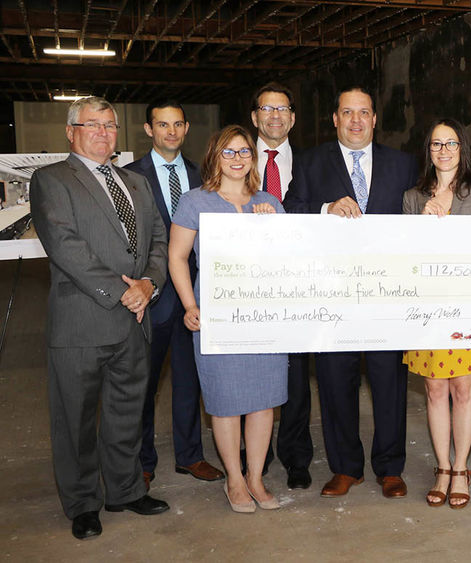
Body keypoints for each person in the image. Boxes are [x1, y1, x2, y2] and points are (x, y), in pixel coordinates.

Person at [30, 96, 170, 540]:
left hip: (135, 319)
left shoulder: (137, 182)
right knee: (75, 420)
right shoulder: (51, 180)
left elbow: (158, 242)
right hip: (82, 322)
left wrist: (149, 284)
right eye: (93, 125)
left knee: (127, 412)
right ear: (71, 132)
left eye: (111, 126)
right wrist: (123, 290)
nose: (104, 133)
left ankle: (125, 490)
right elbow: (65, 246)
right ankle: (83, 503)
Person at [284, 85, 418, 499]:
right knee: (334, 379)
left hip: (386, 294)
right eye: (347, 113)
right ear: (335, 119)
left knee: (388, 381)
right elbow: (290, 213)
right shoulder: (310, 162)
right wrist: (325, 210)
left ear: (375, 119)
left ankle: (390, 467)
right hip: (331, 295)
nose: (356, 121)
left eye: (364, 113)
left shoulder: (404, 165)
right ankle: (345, 467)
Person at [168, 125, 288, 513]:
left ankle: (256, 477)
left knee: (263, 401)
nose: (237, 159)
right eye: (228, 152)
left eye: (244, 152)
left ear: (253, 158)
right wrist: (189, 305)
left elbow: (288, 264)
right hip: (217, 316)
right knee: (225, 401)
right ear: (215, 157)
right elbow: (177, 257)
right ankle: (234, 480)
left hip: (264, 317)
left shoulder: (270, 201)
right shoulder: (195, 202)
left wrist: (273, 227)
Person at [402, 118, 471, 509]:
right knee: (435, 389)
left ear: (461, 150)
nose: (444, 150)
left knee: (464, 389)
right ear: (428, 151)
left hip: (470, 307)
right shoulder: (412, 198)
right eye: (436, 144)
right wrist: (421, 223)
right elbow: (403, 257)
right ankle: (443, 467)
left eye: (451, 143)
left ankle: (462, 467)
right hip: (428, 310)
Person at [125, 99, 224, 489]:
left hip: (193, 293)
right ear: (149, 129)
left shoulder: (205, 176)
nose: (170, 131)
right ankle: (143, 460)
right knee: (144, 383)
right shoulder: (129, 176)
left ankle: (190, 456)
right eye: (162, 125)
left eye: (177, 124)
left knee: (189, 379)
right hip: (148, 296)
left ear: (186, 129)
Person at [249, 81, 313, 489]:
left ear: (292, 117)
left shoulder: (312, 162)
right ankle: (250, 455)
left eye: (282, 109)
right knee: (251, 369)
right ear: (255, 117)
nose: (275, 116)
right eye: (266, 109)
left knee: (296, 374)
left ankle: (296, 456)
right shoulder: (232, 160)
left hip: (300, 283)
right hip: (250, 284)